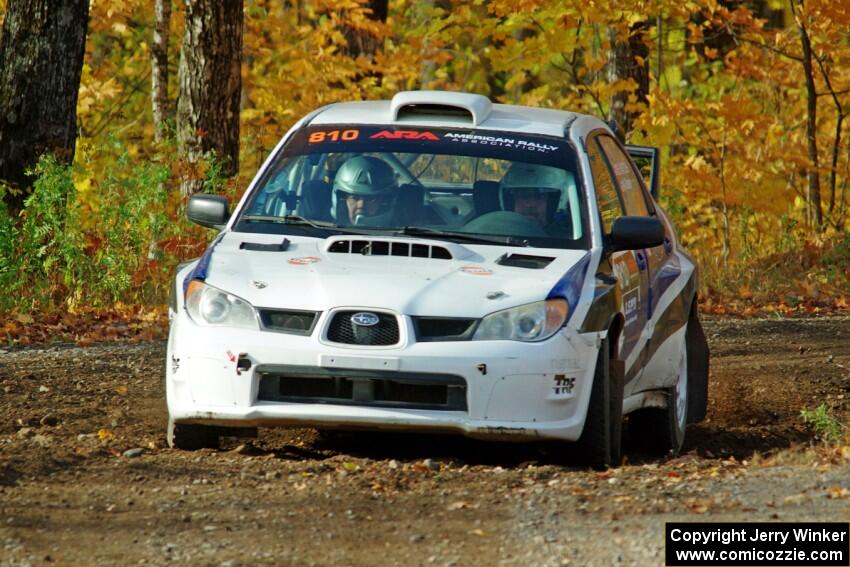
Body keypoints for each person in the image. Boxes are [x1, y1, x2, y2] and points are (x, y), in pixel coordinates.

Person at [500, 162, 569, 233]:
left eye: (540, 196)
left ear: (554, 203)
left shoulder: (569, 240)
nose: (531, 204)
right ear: (509, 201)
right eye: (523, 196)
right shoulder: (494, 232)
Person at [332, 155, 398, 226]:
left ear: (383, 201)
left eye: (370, 198)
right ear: (344, 200)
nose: (361, 205)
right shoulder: (323, 229)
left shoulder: (402, 234)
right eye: (354, 197)